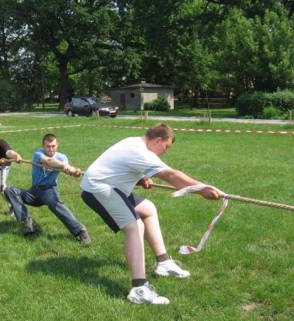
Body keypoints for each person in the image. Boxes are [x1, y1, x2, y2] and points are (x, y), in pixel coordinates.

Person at [80, 123, 220, 305]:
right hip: (97, 188)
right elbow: (170, 175)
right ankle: (139, 288)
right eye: (166, 147)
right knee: (134, 226)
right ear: (157, 140)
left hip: (112, 185)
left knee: (148, 209)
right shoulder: (141, 152)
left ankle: (163, 263)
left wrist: (141, 178)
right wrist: (202, 189)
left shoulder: (134, 142)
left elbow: (121, 165)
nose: (165, 151)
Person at [4, 133, 91, 243]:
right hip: (34, 191)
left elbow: (67, 168)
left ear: (57, 145)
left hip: (49, 190)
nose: (51, 149)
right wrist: (63, 166)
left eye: (53, 146)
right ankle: (28, 221)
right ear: (43, 146)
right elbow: (49, 161)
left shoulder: (62, 157)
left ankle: (80, 231)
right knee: (9, 190)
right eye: (48, 146)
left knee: (55, 204)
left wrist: (74, 172)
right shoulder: (38, 154)